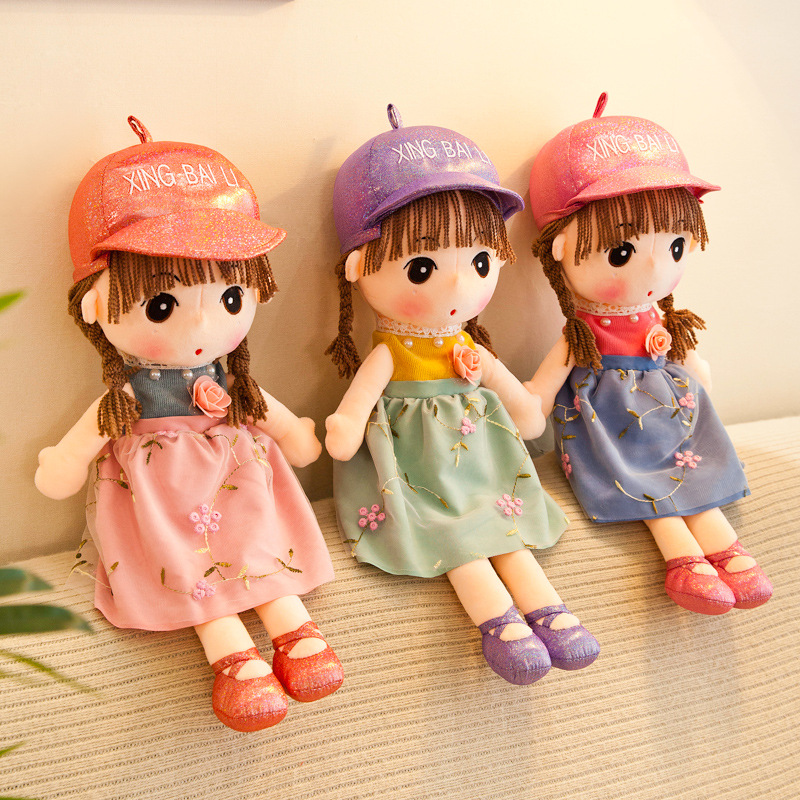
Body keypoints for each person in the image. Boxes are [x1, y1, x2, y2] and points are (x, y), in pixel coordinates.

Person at [35, 117, 343, 731]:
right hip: (163, 495)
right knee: (189, 563)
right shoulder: (128, 394)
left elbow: (264, 409)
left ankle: (295, 630)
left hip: (237, 481)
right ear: (96, 304)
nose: (204, 326)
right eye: (162, 304)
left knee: (253, 542)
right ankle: (233, 656)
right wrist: (65, 461)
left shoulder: (234, 379)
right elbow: (92, 432)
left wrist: (293, 433)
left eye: (230, 298)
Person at [325, 105, 599, 685]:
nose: (458, 282)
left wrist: (524, 408)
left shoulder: (469, 345)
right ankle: (499, 622)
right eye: (422, 267)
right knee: (454, 534)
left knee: (502, 527)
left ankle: (549, 609)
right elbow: (359, 401)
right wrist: (345, 426)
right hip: (420, 469)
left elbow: (515, 401)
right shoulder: (391, 351)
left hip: (484, 465)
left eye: (478, 260)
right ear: (358, 267)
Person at [526, 93, 772, 615]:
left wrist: (696, 370)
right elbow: (543, 390)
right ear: (560, 248)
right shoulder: (581, 333)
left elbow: (689, 360)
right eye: (622, 252)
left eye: (675, 247)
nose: (657, 269)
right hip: (613, 427)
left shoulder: (663, 316)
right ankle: (683, 561)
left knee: (691, 471)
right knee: (645, 484)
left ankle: (728, 551)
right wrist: (530, 402)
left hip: (672, 417)